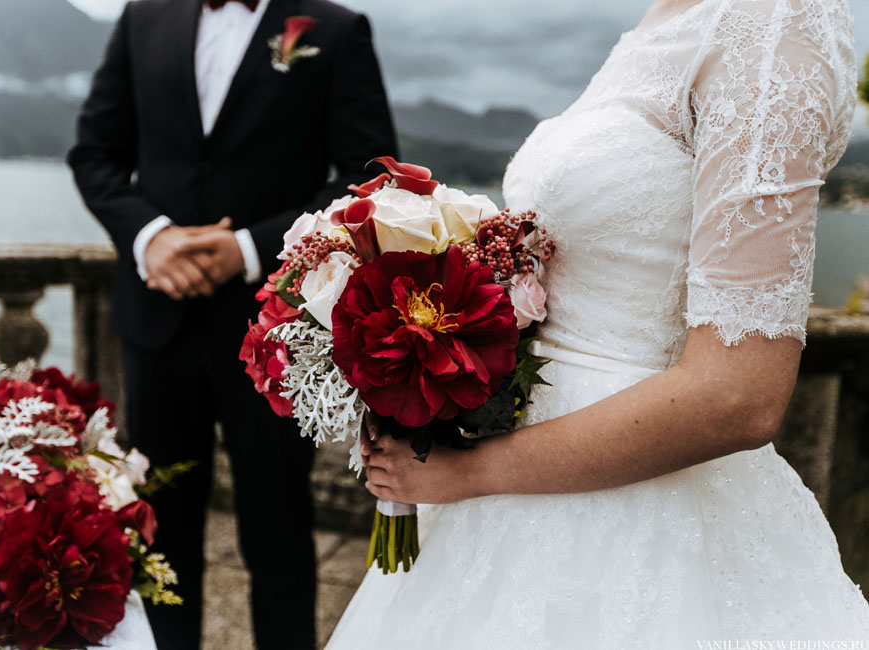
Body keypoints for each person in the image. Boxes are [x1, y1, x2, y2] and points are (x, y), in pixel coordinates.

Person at [327, 0, 869, 646]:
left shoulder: (773, 20)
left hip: (640, 522)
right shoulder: (667, 16)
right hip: (510, 496)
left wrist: (468, 473)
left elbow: (738, 393)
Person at [67, 0, 397, 647]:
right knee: (161, 533)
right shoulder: (142, 18)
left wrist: (248, 248)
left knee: (277, 533)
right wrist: (151, 238)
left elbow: (370, 177)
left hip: (273, 329)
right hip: (156, 324)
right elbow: (94, 156)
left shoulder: (333, 29)